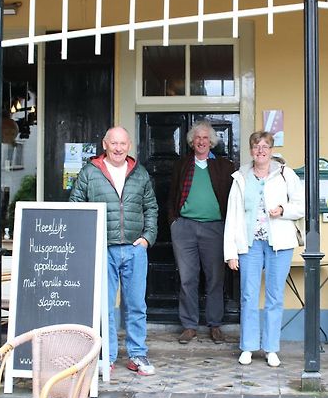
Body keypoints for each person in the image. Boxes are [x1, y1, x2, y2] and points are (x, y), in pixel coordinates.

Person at [70, 126, 158, 376]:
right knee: (104, 306)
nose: (118, 148)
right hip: (102, 248)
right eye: (114, 143)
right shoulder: (90, 172)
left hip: (134, 248)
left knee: (136, 305)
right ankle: (106, 357)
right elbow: (76, 206)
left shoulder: (139, 173)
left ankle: (137, 355)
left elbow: (151, 208)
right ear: (104, 144)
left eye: (123, 143)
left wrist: (147, 238)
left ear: (129, 145)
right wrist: (89, 241)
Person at [224, 131, 304, 367]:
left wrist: (282, 209)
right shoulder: (241, 177)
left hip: (279, 243)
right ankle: (248, 347)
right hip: (249, 244)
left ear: (271, 150)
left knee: (274, 296)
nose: (260, 150)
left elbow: (301, 206)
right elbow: (232, 216)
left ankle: (271, 348)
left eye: (265, 146)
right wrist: (230, 252)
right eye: (256, 146)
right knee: (248, 295)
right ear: (250, 150)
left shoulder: (285, 174)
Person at [168, 120, 235, 345]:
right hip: (184, 227)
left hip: (215, 228)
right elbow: (171, 196)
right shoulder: (183, 164)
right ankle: (189, 326)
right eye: (197, 138)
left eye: (206, 138)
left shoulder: (224, 166)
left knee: (215, 278)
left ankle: (215, 325)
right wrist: (174, 222)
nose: (201, 141)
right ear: (192, 141)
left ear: (212, 142)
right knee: (188, 278)